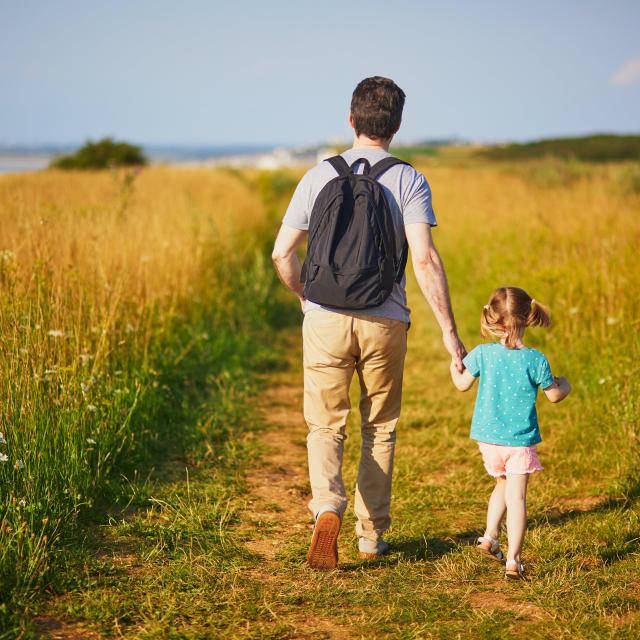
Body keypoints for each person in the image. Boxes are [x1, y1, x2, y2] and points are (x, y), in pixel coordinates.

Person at [272, 76, 466, 570]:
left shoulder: (318, 176)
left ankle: (326, 507)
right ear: (396, 125)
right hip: (386, 321)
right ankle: (370, 535)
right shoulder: (408, 179)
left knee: (325, 425)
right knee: (380, 426)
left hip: (325, 318)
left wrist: (304, 296)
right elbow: (424, 260)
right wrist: (449, 332)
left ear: (351, 119)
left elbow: (282, 254)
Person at [450, 286, 571, 579]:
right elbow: (553, 395)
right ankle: (514, 560)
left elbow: (462, 384)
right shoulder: (535, 359)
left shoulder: (482, 354)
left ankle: (490, 536)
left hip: (488, 440)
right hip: (519, 441)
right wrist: (565, 384)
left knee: (502, 484)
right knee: (517, 498)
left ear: (495, 320)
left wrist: (454, 366)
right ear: (528, 317)